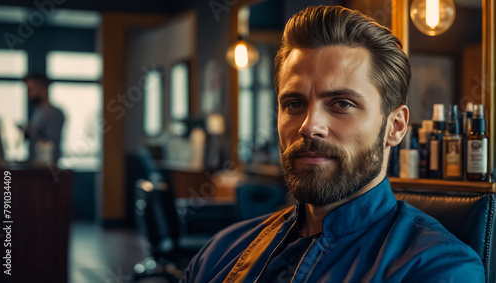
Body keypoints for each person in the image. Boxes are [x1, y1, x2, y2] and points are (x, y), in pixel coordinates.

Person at [180, 5, 485, 283]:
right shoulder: (221, 251)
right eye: (294, 104)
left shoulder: (439, 268)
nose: (309, 126)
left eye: (341, 103)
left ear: (395, 127)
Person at [22, 73, 65, 164]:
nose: (28, 94)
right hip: (34, 163)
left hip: (47, 167)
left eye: (31, 90)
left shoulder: (54, 113)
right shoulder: (38, 112)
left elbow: (51, 141)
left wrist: (33, 131)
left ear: (43, 89)